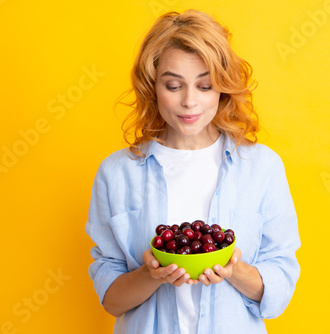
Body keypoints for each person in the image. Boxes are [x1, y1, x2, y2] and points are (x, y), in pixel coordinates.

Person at [85, 9, 300, 334]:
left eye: (205, 86)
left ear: (223, 88)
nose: (189, 102)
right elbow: (111, 301)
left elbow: (279, 292)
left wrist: (233, 269)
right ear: (152, 86)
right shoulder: (116, 173)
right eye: (173, 86)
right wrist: (150, 273)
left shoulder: (262, 167)